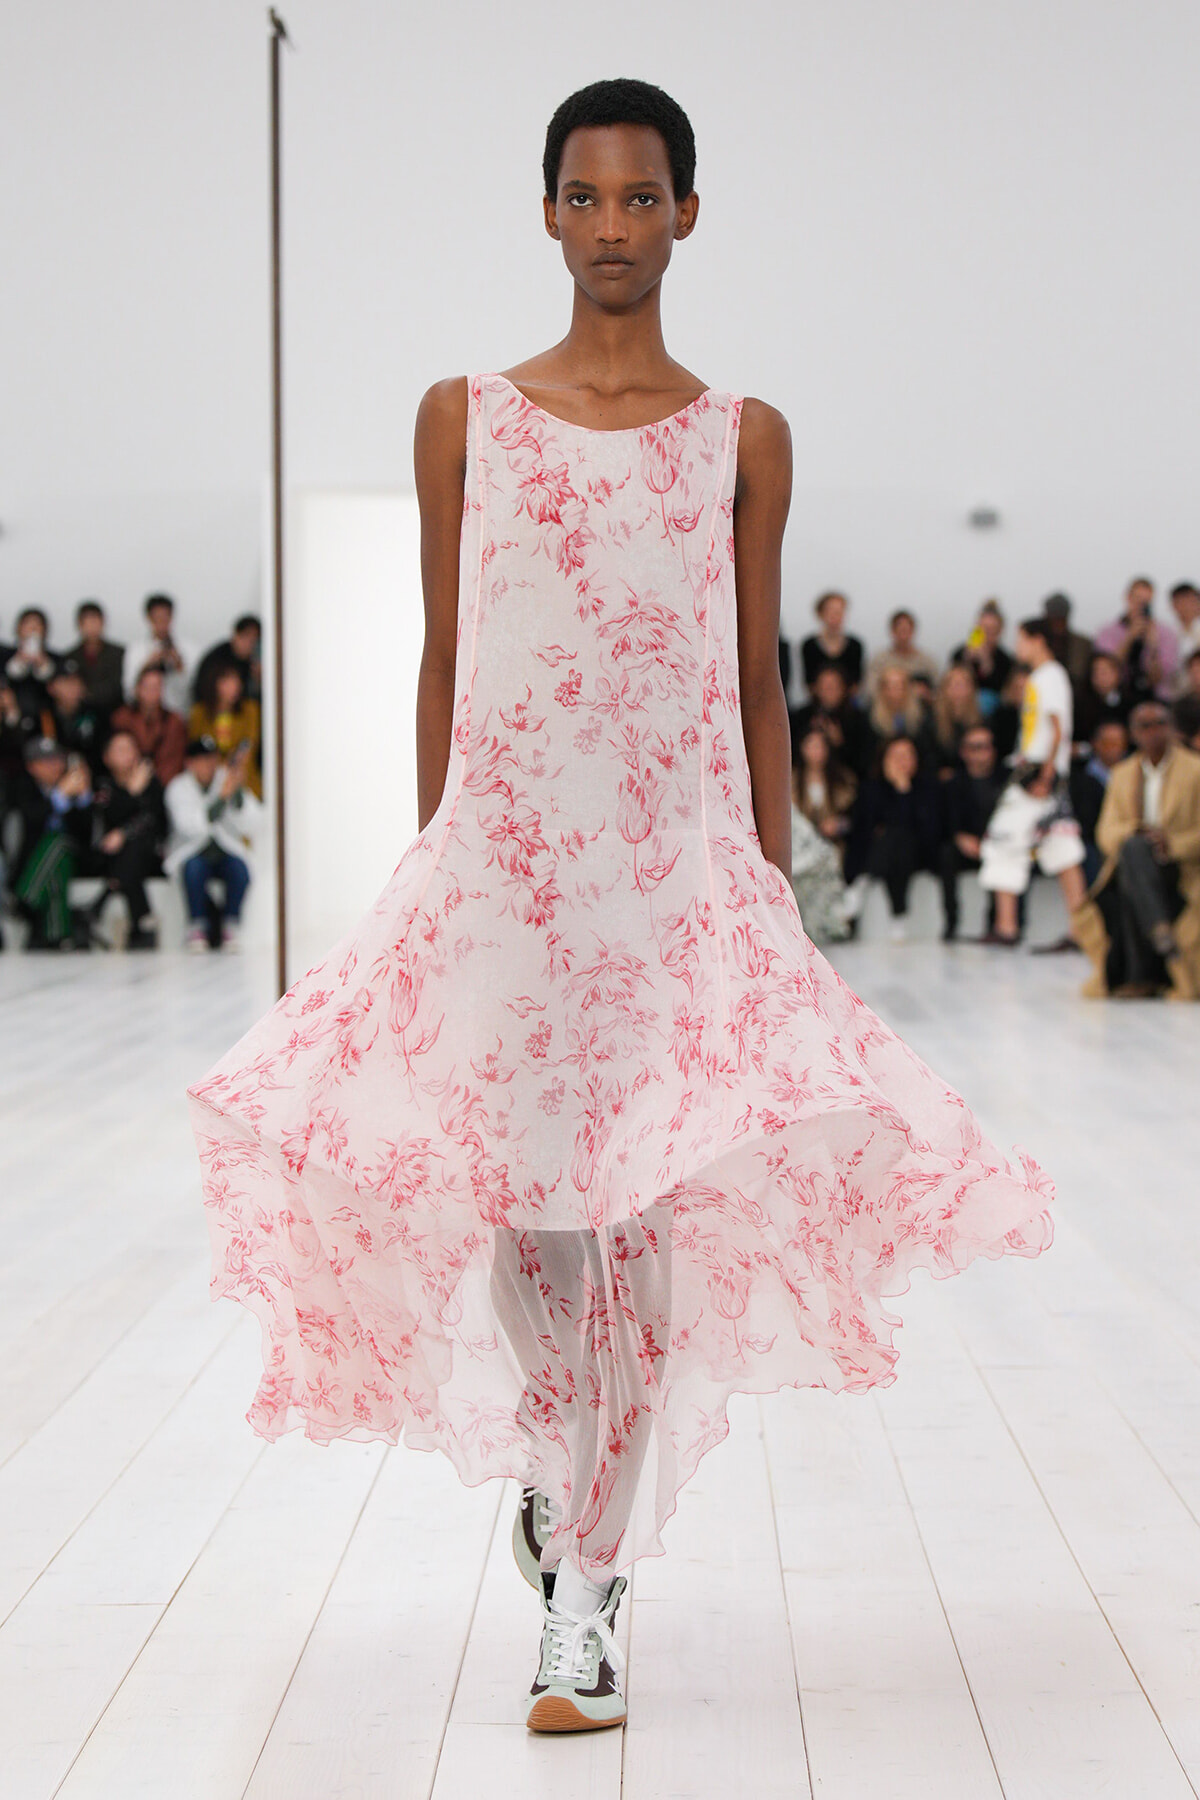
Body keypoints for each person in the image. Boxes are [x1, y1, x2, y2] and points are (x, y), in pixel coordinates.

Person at [186, 79, 1054, 1737]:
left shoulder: (744, 436)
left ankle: (583, 1592)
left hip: (670, 887)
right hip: (507, 880)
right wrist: (441, 850)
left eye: (642, 199)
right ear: (544, 214)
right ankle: (563, 1464)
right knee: (530, 1233)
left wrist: (773, 902)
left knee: (633, 1235)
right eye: (583, 199)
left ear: (688, 216)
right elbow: (447, 651)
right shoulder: (463, 417)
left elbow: (752, 680)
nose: (611, 228)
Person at [1074, 702, 1200, 999]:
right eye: (1144, 726)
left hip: (1182, 865)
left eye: (1158, 723)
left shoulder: (1195, 770)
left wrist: (1171, 844)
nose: (1152, 732)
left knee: (1133, 870)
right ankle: (1158, 933)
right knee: (1133, 850)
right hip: (1135, 862)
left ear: (1170, 728)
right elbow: (1105, 833)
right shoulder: (1122, 774)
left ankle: (1140, 974)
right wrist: (1137, 831)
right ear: (1134, 733)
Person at [979, 617, 1088, 949]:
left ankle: (1006, 927)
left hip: (1037, 776)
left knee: (1002, 838)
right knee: (1062, 848)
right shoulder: (1046, 676)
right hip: (1041, 771)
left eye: (1021, 639)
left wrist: (1046, 773)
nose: (1018, 647)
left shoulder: (1048, 676)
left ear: (1038, 640)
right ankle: (1080, 931)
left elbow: (1057, 727)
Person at [165, 737, 259, 951]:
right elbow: (189, 826)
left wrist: (236, 794)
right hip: (194, 851)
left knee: (239, 869)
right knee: (194, 869)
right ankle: (197, 927)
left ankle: (231, 925)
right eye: (202, 760)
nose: (208, 765)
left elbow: (250, 822)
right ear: (190, 763)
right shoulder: (178, 787)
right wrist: (221, 798)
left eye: (211, 759)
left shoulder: (226, 779)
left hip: (225, 850)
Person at [843, 736, 940, 940]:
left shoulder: (927, 787)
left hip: (920, 853)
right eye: (896, 756)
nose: (902, 762)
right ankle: (899, 915)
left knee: (899, 837)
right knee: (894, 841)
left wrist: (904, 791)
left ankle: (861, 882)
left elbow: (926, 829)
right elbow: (866, 828)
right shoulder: (871, 788)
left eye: (907, 756)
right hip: (883, 853)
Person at [10, 737, 94, 949]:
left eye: (57, 760)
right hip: (37, 860)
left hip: (76, 854)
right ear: (31, 766)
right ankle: (54, 935)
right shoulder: (23, 787)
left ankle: (27, 900)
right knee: (58, 860)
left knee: (60, 843)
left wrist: (83, 796)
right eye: (46, 761)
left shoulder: (73, 786)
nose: (55, 766)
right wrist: (60, 796)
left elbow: (86, 833)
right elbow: (32, 819)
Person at [86, 730, 166, 950]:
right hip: (110, 856)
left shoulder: (151, 782)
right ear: (107, 757)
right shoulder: (102, 785)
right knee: (129, 851)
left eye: (131, 748)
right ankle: (143, 922)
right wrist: (131, 793)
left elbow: (154, 820)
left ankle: (102, 899)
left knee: (136, 845)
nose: (128, 755)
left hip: (148, 854)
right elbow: (106, 817)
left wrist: (123, 833)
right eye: (120, 750)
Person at [938, 723, 1004, 941]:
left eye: (983, 746)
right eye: (973, 747)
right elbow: (946, 820)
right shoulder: (954, 783)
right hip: (965, 845)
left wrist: (989, 842)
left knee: (1005, 857)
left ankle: (997, 923)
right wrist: (959, 837)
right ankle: (951, 922)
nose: (979, 753)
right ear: (963, 751)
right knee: (946, 854)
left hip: (996, 843)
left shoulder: (1005, 781)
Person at [1093, 576, 1180, 705]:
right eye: (1137, 600)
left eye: (1146, 603)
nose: (1140, 607)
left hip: (1154, 698)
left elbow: (1159, 678)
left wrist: (1153, 647)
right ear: (1128, 598)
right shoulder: (1107, 632)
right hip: (1119, 698)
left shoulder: (1165, 633)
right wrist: (1129, 638)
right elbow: (1107, 670)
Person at [789, 766, 851, 943]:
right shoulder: (794, 782)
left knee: (828, 857)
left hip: (823, 842)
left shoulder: (841, 782)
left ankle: (827, 924)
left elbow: (851, 819)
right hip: (801, 842)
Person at [188, 661, 263, 798]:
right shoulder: (199, 714)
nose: (234, 687)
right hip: (210, 781)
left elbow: (250, 744)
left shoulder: (250, 710)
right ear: (214, 684)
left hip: (245, 777)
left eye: (236, 682)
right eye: (227, 682)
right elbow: (197, 751)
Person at [790, 663, 874, 778]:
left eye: (833, 686)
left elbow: (864, 762)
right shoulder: (800, 717)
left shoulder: (858, 719)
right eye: (824, 686)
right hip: (803, 780)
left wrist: (840, 743)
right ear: (815, 689)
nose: (829, 691)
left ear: (844, 689)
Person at [1070, 718, 1128, 884]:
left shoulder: (1137, 773)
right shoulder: (1079, 777)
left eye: (1119, 742)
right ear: (1095, 744)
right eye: (1108, 742)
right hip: (1093, 842)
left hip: (1127, 839)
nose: (1114, 748)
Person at [110, 665, 188, 787]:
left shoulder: (174, 722)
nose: (151, 692)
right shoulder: (122, 718)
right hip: (125, 784)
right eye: (147, 687)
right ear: (137, 689)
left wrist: (154, 785)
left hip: (162, 787)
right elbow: (115, 756)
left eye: (156, 687)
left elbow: (174, 762)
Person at [124, 593, 198, 716]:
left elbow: (195, 691)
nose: (161, 624)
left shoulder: (189, 649)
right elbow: (128, 693)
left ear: (172, 617)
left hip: (179, 716)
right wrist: (147, 666)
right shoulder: (135, 650)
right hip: (145, 717)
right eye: (156, 618)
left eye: (165, 618)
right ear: (148, 618)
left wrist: (180, 667)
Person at [792, 725, 857, 854]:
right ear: (802, 748)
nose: (816, 751)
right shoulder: (789, 780)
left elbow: (855, 818)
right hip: (798, 849)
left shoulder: (844, 780)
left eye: (820, 746)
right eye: (811, 745)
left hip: (834, 850)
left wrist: (838, 825)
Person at [867, 661, 937, 772]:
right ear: (881, 690)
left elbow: (928, 753)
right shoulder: (868, 717)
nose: (895, 692)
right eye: (889, 687)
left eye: (900, 686)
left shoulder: (923, 715)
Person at [950, 599, 1013, 715]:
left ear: (999, 631)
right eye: (984, 629)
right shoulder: (960, 653)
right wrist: (967, 661)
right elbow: (951, 680)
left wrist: (986, 662)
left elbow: (1001, 689)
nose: (987, 635)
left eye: (992, 630)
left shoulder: (1005, 659)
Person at [46, 659, 107, 778]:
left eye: (77, 682)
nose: (72, 687)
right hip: (54, 778)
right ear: (51, 688)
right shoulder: (43, 716)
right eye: (65, 682)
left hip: (93, 776)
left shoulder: (98, 714)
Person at [66, 600, 125, 717]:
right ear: (79, 625)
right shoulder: (70, 656)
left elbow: (117, 686)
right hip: (81, 714)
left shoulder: (119, 653)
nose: (92, 628)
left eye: (95, 622)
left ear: (103, 623)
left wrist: (87, 692)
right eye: (87, 623)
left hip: (113, 711)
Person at [864, 608, 939, 701]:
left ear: (913, 631)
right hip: (885, 709)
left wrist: (926, 693)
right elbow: (870, 690)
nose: (903, 636)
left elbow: (939, 691)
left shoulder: (926, 661)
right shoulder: (880, 660)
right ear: (892, 632)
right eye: (900, 631)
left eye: (906, 631)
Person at [799, 591, 864, 696]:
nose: (835, 616)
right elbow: (809, 683)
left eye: (839, 612)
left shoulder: (855, 645)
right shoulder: (809, 645)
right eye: (831, 611)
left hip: (849, 703)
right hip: (817, 703)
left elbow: (856, 683)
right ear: (820, 614)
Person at [193, 614, 263, 706]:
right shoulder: (217, 657)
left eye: (254, 640)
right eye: (246, 637)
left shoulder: (257, 662)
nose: (249, 644)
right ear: (236, 635)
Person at [3, 608, 58, 722]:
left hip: (46, 719)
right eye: (28, 624)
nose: (33, 629)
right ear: (18, 628)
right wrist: (19, 660)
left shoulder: (55, 658)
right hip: (10, 718)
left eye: (37, 625)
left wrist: (42, 663)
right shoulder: (4, 655)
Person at [931, 662, 984, 776]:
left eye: (962, 685)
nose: (958, 690)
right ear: (944, 689)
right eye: (953, 685)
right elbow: (929, 757)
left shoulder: (982, 721)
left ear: (972, 689)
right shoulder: (931, 720)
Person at [1073, 650, 1130, 754]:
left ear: (1117, 674)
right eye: (1096, 672)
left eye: (1104, 672)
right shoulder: (1080, 704)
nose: (1100, 677)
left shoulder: (1129, 703)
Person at [1040, 593, 1092, 695]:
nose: (1057, 623)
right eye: (1054, 619)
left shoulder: (1082, 645)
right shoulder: (1038, 643)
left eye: (1060, 618)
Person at [1168, 583, 1200, 697]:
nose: (1186, 606)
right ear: (1173, 605)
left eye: (1191, 601)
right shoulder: (1166, 633)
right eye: (1181, 602)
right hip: (1174, 692)